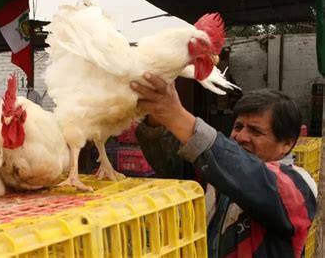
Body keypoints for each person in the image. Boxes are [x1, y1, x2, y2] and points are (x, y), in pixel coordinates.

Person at [130, 72, 317, 258]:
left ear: (286, 144)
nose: (241, 137)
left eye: (256, 131)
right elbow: (175, 165)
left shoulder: (299, 185)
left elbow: (252, 177)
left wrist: (177, 117)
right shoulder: (220, 177)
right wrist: (156, 116)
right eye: (238, 127)